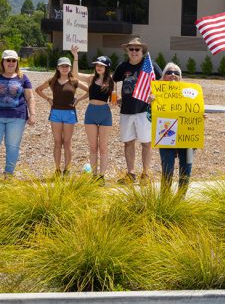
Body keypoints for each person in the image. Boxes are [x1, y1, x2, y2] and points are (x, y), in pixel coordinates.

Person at [112, 37, 162, 184]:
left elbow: (162, 81)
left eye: (137, 49)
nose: (134, 52)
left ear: (142, 51)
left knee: (146, 143)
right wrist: (116, 96)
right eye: (131, 49)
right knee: (128, 142)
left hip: (143, 111)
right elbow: (113, 80)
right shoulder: (122, 66)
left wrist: (155, 94)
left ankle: (145, 174)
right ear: (127, 51)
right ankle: (131, 173)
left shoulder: (150, 65)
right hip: (126, 111)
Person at [35, 56, 89, 175]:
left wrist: (79, 99)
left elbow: (89, 91)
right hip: (56, 113)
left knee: (67, 142)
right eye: (62, 66)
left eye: (67, 66)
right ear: (58, 68)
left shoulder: (74, 81)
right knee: (57, 142)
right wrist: (48, 99)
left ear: (70, 68)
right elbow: (38, 90)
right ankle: (57, 169)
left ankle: (67, 169)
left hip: (69, 113)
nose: (65, 68)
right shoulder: (52, 81)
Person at [70, 47, 114, 183]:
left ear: (107, 67)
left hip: (105, 113)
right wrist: (75, 57)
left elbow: (116, 98)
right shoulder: (90, 78)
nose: (99, 67)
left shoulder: (112, 81)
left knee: (103, 147)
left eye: (102, 65)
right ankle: (94, 176)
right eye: (97, 65)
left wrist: (116, 102)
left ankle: (102, 176)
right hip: (91, 112)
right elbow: (75, 75)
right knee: (93, 146)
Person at [156, 63, 194, 194]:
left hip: (187, 135)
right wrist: (151, 105)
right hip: (166, 136)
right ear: (163, 76)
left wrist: (200, 116)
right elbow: (150, 118)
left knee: (186, 169)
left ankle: (181, 199)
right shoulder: (156, 95)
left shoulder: (190, 93)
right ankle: (165, 200)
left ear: (180, 77)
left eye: (176, 73)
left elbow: (195, 110)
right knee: (167, 169)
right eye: (169, 72)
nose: (173, 75)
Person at [0, 50, 36, 176]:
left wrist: (32, 114)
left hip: (17, 117)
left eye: (13, 60)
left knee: (12, 146)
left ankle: (8, 175)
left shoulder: (23, 78)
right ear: (3, 62)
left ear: (17, 62)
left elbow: (30, 97)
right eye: (8, 60)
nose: (11, 63)